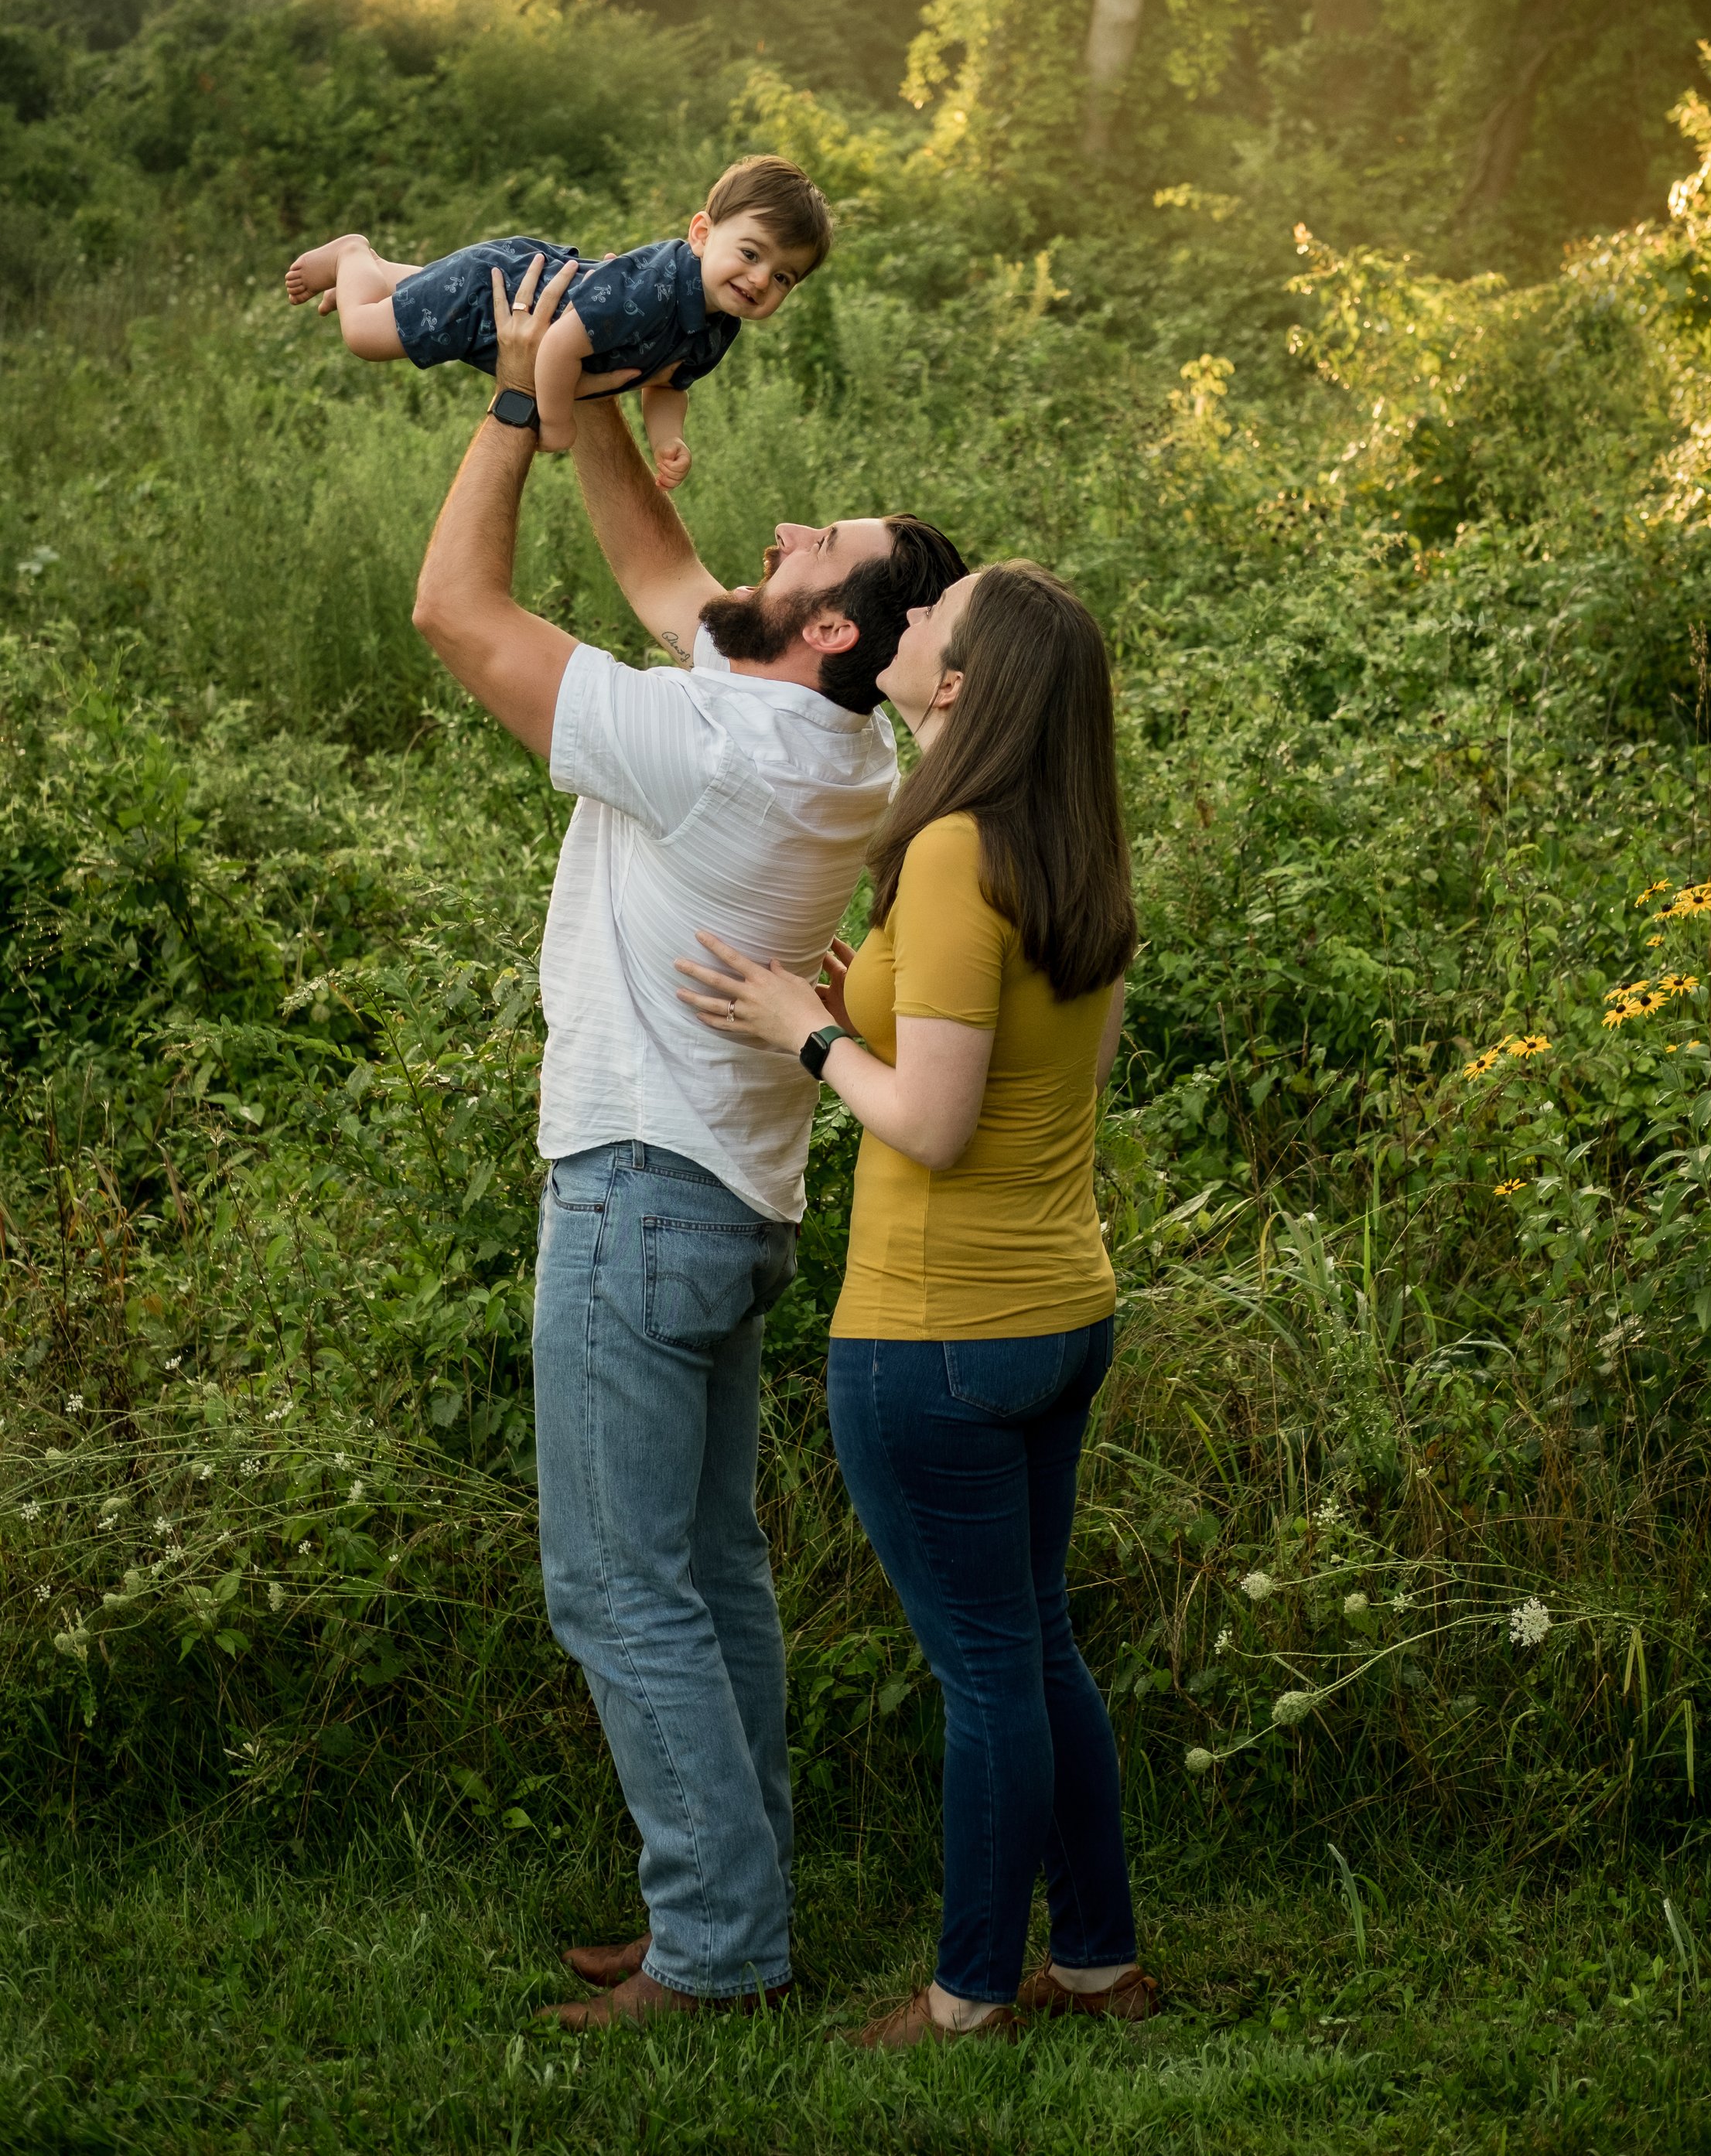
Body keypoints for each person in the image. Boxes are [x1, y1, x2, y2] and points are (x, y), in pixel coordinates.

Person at [409, 251, 964, 2023]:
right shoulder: (838, 749)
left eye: (813, 549)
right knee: (712, 1582)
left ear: (824, 631)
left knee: (617, 1585)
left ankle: (716, 1950)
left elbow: (454, 610)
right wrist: (585, 397)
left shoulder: (709, 751)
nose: (781, 530)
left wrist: (513, 403)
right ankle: (727, 1911)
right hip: (729, 1206)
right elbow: (660, 564)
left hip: (641, 1194)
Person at [678, 558, 1158, 2049]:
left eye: (935, 626)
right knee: (1039, 1645)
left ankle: (965, 1998)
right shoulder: (1072, 851)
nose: (909, 626)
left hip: (941, 1332)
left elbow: (937, 1124)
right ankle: (1097, 1963)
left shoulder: (953, 852)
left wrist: (808, 1032)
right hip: (1058, 1306)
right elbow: (1043, 1073)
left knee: (987, 1675)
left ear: (959, 687)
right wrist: (860, 993)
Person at [285, 152, 831, 476]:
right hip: (494, 291)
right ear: (702, 234)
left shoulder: (719, 326)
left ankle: (372, 277)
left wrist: (668, 438)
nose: (761, 280)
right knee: (365, 335)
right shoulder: (657, 286)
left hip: (509, 284)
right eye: (751, 253)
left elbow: (669, 385)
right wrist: (557, 421)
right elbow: (558, 348)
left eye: (783, 276)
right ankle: (354, 256)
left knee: (422, 294)